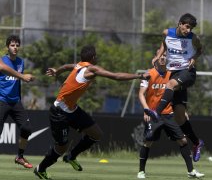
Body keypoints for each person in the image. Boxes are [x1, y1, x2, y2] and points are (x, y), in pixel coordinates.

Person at [33, 44, 150, 179]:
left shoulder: (79, 65)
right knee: (61, 148)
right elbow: (116, 76)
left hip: (72, 109)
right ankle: (40, 169)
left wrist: (57, 71)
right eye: (96, 55)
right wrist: (139, 76)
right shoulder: (91, 69)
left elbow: (66, 67)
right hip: (59, 112)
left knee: (96, 134)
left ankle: (72, 156)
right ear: (93, 57)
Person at [143, 13, 204, 161]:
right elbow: (165, 43)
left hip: (187, 73)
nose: (188, 30)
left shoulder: (193, 38)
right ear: (180, 24)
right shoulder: (167, 33)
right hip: (174, 73)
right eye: (187, 26)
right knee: (179, 118)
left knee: (169, 84)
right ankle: (197, 143)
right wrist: (159, 55)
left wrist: (194, 59)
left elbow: (200, 49)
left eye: (191, 28)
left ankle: (156, 113)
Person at [137, 52, 204, 179]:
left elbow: (178, 97)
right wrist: (146, 110)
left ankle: (191, 171)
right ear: (156, 58)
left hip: (169, 114)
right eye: (160, 56)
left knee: (183, 140)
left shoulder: (173, 75)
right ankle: (141, 171)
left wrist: (182, 111)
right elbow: (141, 94)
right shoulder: (149, 74)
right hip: (154, 115)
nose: (163, 58)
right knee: (148, 142)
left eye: (165, 56)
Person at [0, 35, 35, 169]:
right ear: (7, 47)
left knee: (27, 128)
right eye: (12, 45)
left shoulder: (21, 62)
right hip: (2, 100)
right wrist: (22, 76)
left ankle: (19, 157)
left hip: (15, 102)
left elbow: (20, 81)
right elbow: (3, 68)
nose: (15, 48)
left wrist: (29, 77)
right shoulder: (2, 61)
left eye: (17, 45)